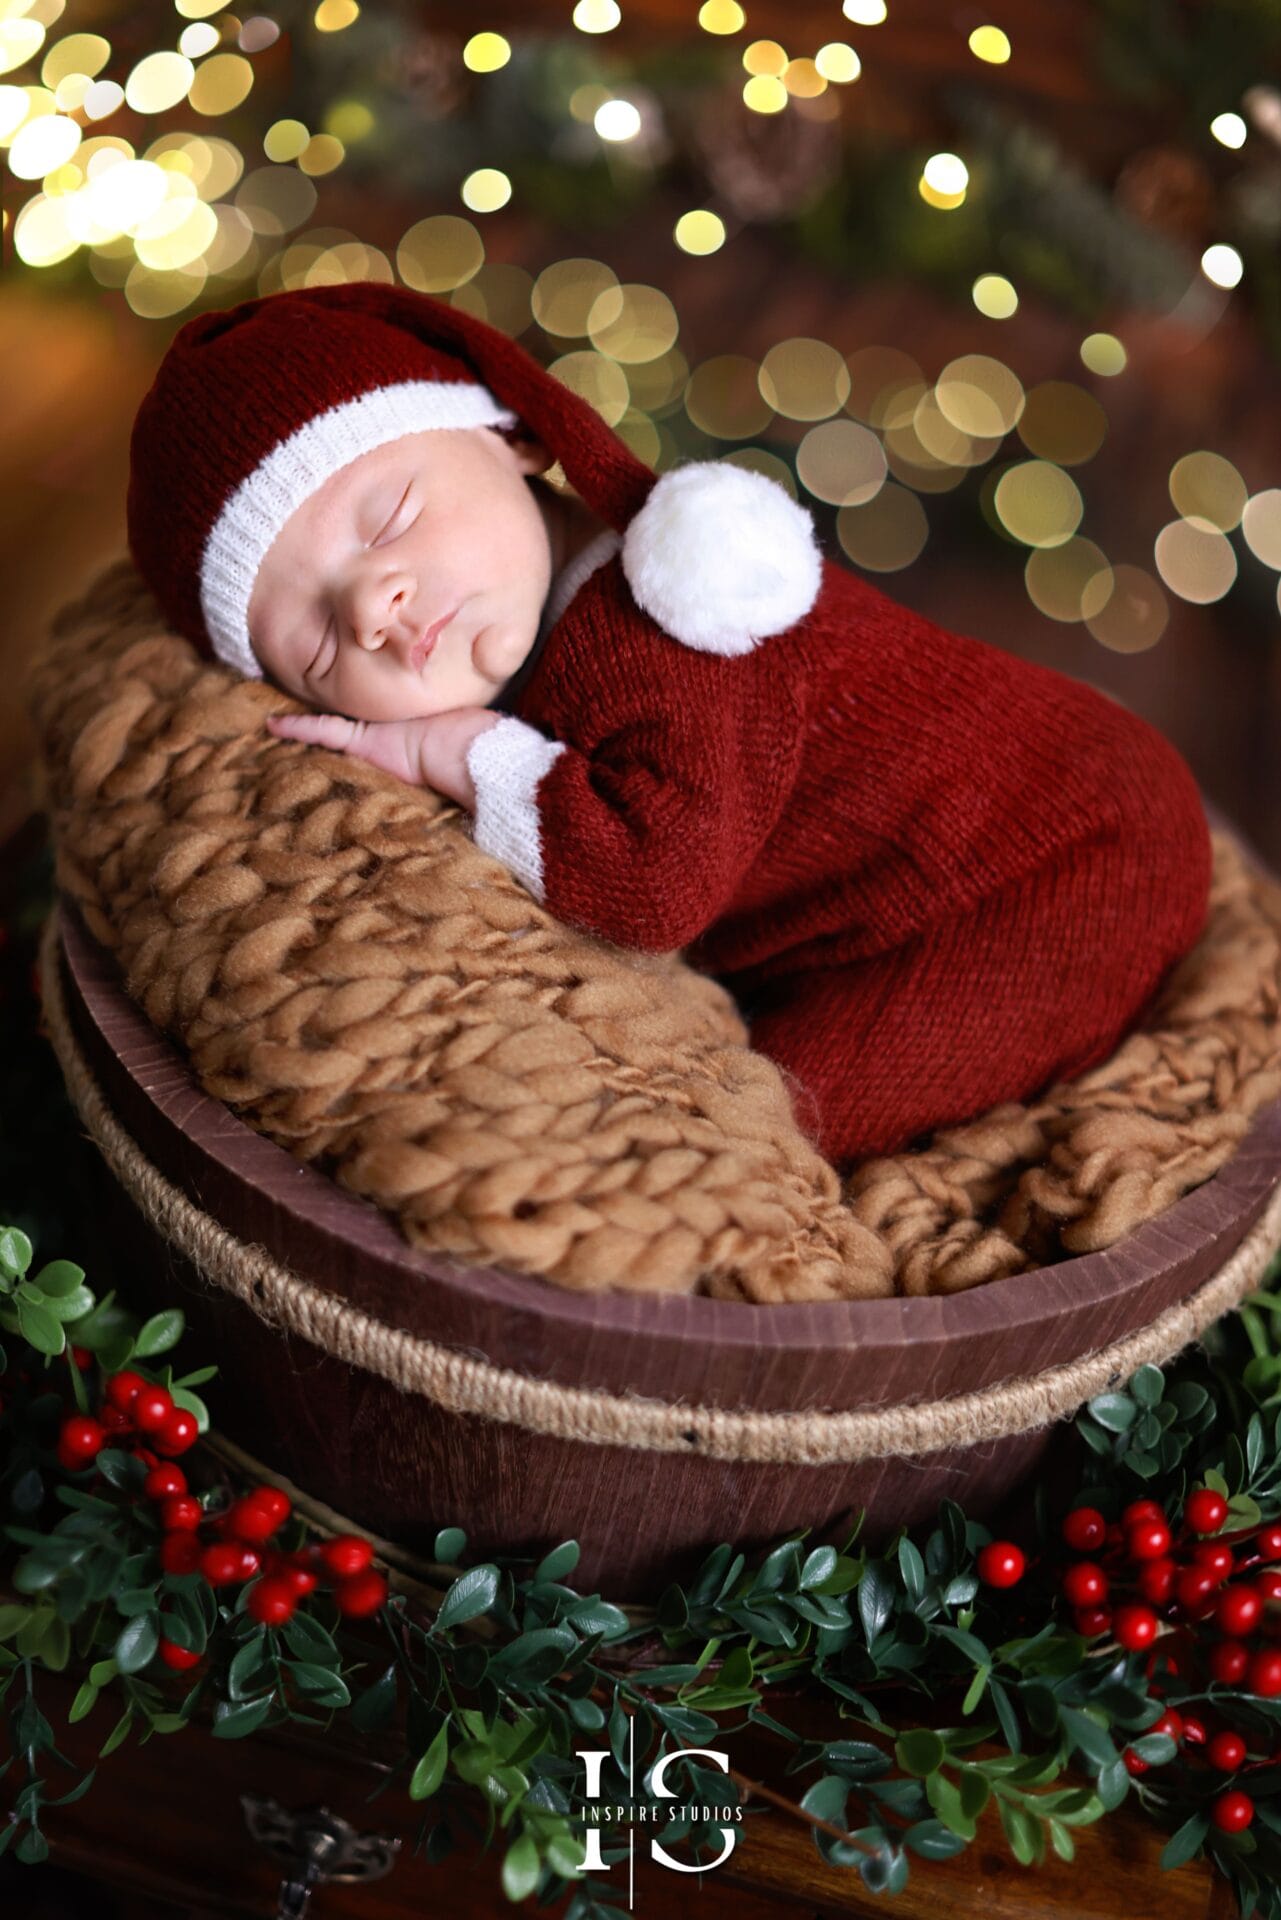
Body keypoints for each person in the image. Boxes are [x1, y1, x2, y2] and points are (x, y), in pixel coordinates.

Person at [125, 280, 1213, 1166]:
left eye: (392, 516)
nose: (373, 608)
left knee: (764, 1132)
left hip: (1052, 858)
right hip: (898, 884)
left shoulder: (653, 623)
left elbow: (655, 884)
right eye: (313, 647)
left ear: (513, 438)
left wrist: (460, 753)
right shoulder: (536, 621)